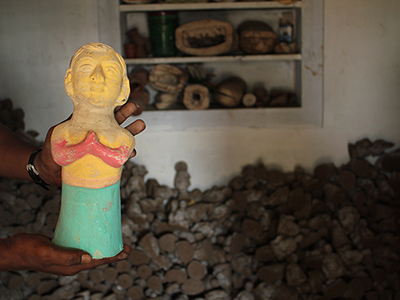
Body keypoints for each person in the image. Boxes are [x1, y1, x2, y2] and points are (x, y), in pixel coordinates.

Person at [0, 49, 146, 276]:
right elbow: (59, 156)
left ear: (123, 90)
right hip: (75, 190)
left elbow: (120, 157)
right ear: (69, 82)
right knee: (73, 223)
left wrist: (93, 147)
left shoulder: (122, 136)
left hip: (106, 191)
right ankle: (70, 239)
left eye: (109, 71)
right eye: (87, 68)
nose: (97, 77)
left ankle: (107, 242)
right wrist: (12, 252)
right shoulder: (63, 132)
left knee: (104, 223)